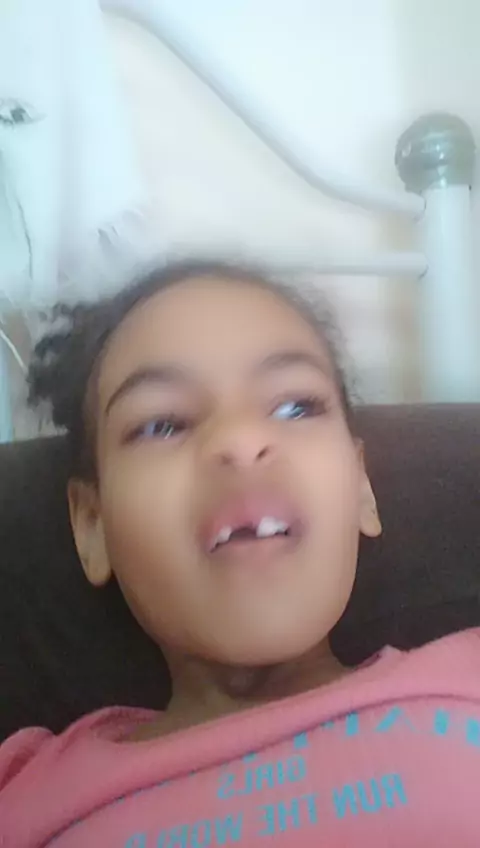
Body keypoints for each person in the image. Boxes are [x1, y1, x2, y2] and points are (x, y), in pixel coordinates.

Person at [0, 259, 478, 848]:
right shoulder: (23, 791)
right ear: (92, 525)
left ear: (360, 486)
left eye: (296, 406)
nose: (241, 440)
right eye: (162, 424)